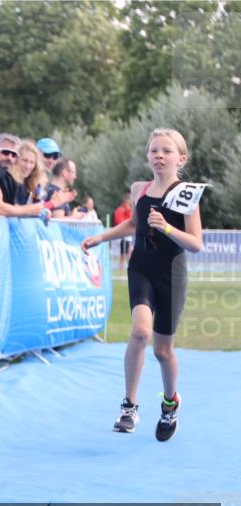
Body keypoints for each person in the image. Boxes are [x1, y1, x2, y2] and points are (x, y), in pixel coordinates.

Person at [81, 128, 204, 441]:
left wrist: (165, 228)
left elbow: (196, 244)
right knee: (139, 331)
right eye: (154, 151)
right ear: (148, 156)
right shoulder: (140, 188)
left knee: (163, 351)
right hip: (141, 269)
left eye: (166, 151)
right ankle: (129, 406)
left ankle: (170, 402)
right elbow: (133, 224)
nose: (159, 156)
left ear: (181, 157)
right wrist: (101, 236)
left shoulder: (187, 193)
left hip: (171, 275)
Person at [0, 133, 49, 218]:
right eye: (24, 160)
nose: (28, 166)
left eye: (32, 162)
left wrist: (42, 211)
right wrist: (52, 204)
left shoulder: (29, 184)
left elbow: (16, 208)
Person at [114, 191, 133, 269]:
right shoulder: (120, 210)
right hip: (122, 236)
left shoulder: (131, 210)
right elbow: (120, 222)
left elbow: (132, 220)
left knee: (129, 253)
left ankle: (129, 267)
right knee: (123, 255)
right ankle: (121, 269)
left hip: (129, 236)